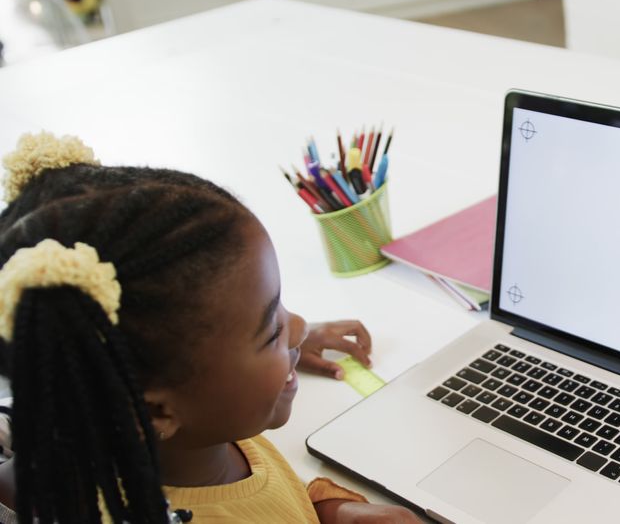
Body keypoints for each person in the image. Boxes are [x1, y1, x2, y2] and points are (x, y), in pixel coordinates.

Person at [0, 132, 421, 523]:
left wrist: (329, 508)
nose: (298, 327)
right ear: (155, 410)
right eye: (272, 330)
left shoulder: (189, 436)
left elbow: (264, 496)